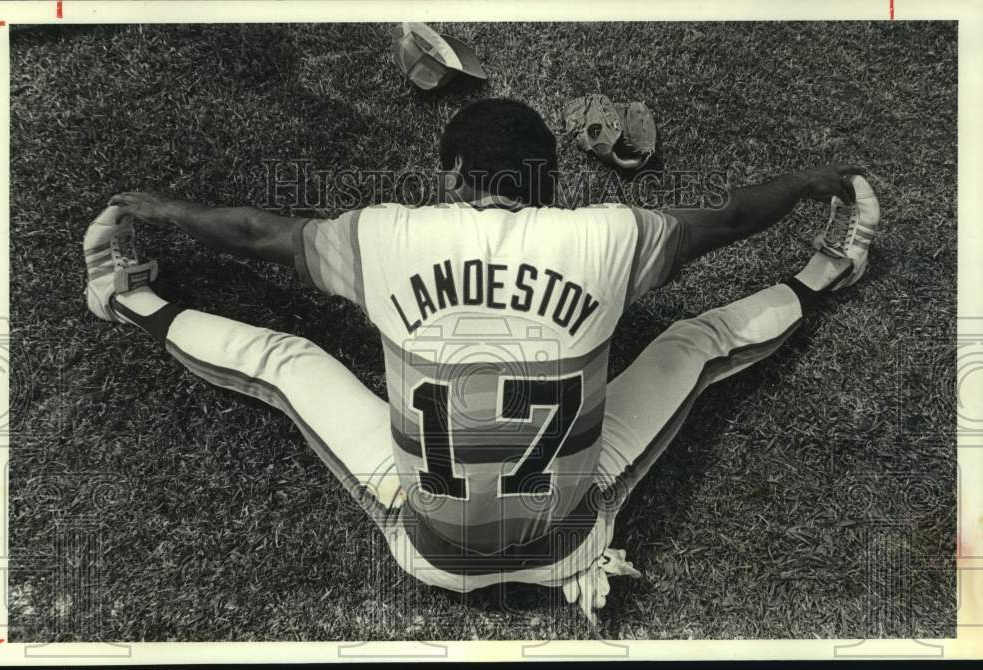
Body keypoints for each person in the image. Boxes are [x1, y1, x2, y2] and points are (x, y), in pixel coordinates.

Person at [83, 98, 879, 622]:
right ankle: (831, 268)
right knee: (694, 343)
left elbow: (261, 236)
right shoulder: (609, 236)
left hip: (424, 544)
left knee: (285, 362)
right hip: (571, 535)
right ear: (553, 180)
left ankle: (123, 295)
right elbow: (733, 217)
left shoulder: (384, 235)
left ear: (456, 176)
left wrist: (163, 209)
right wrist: (810, 180)